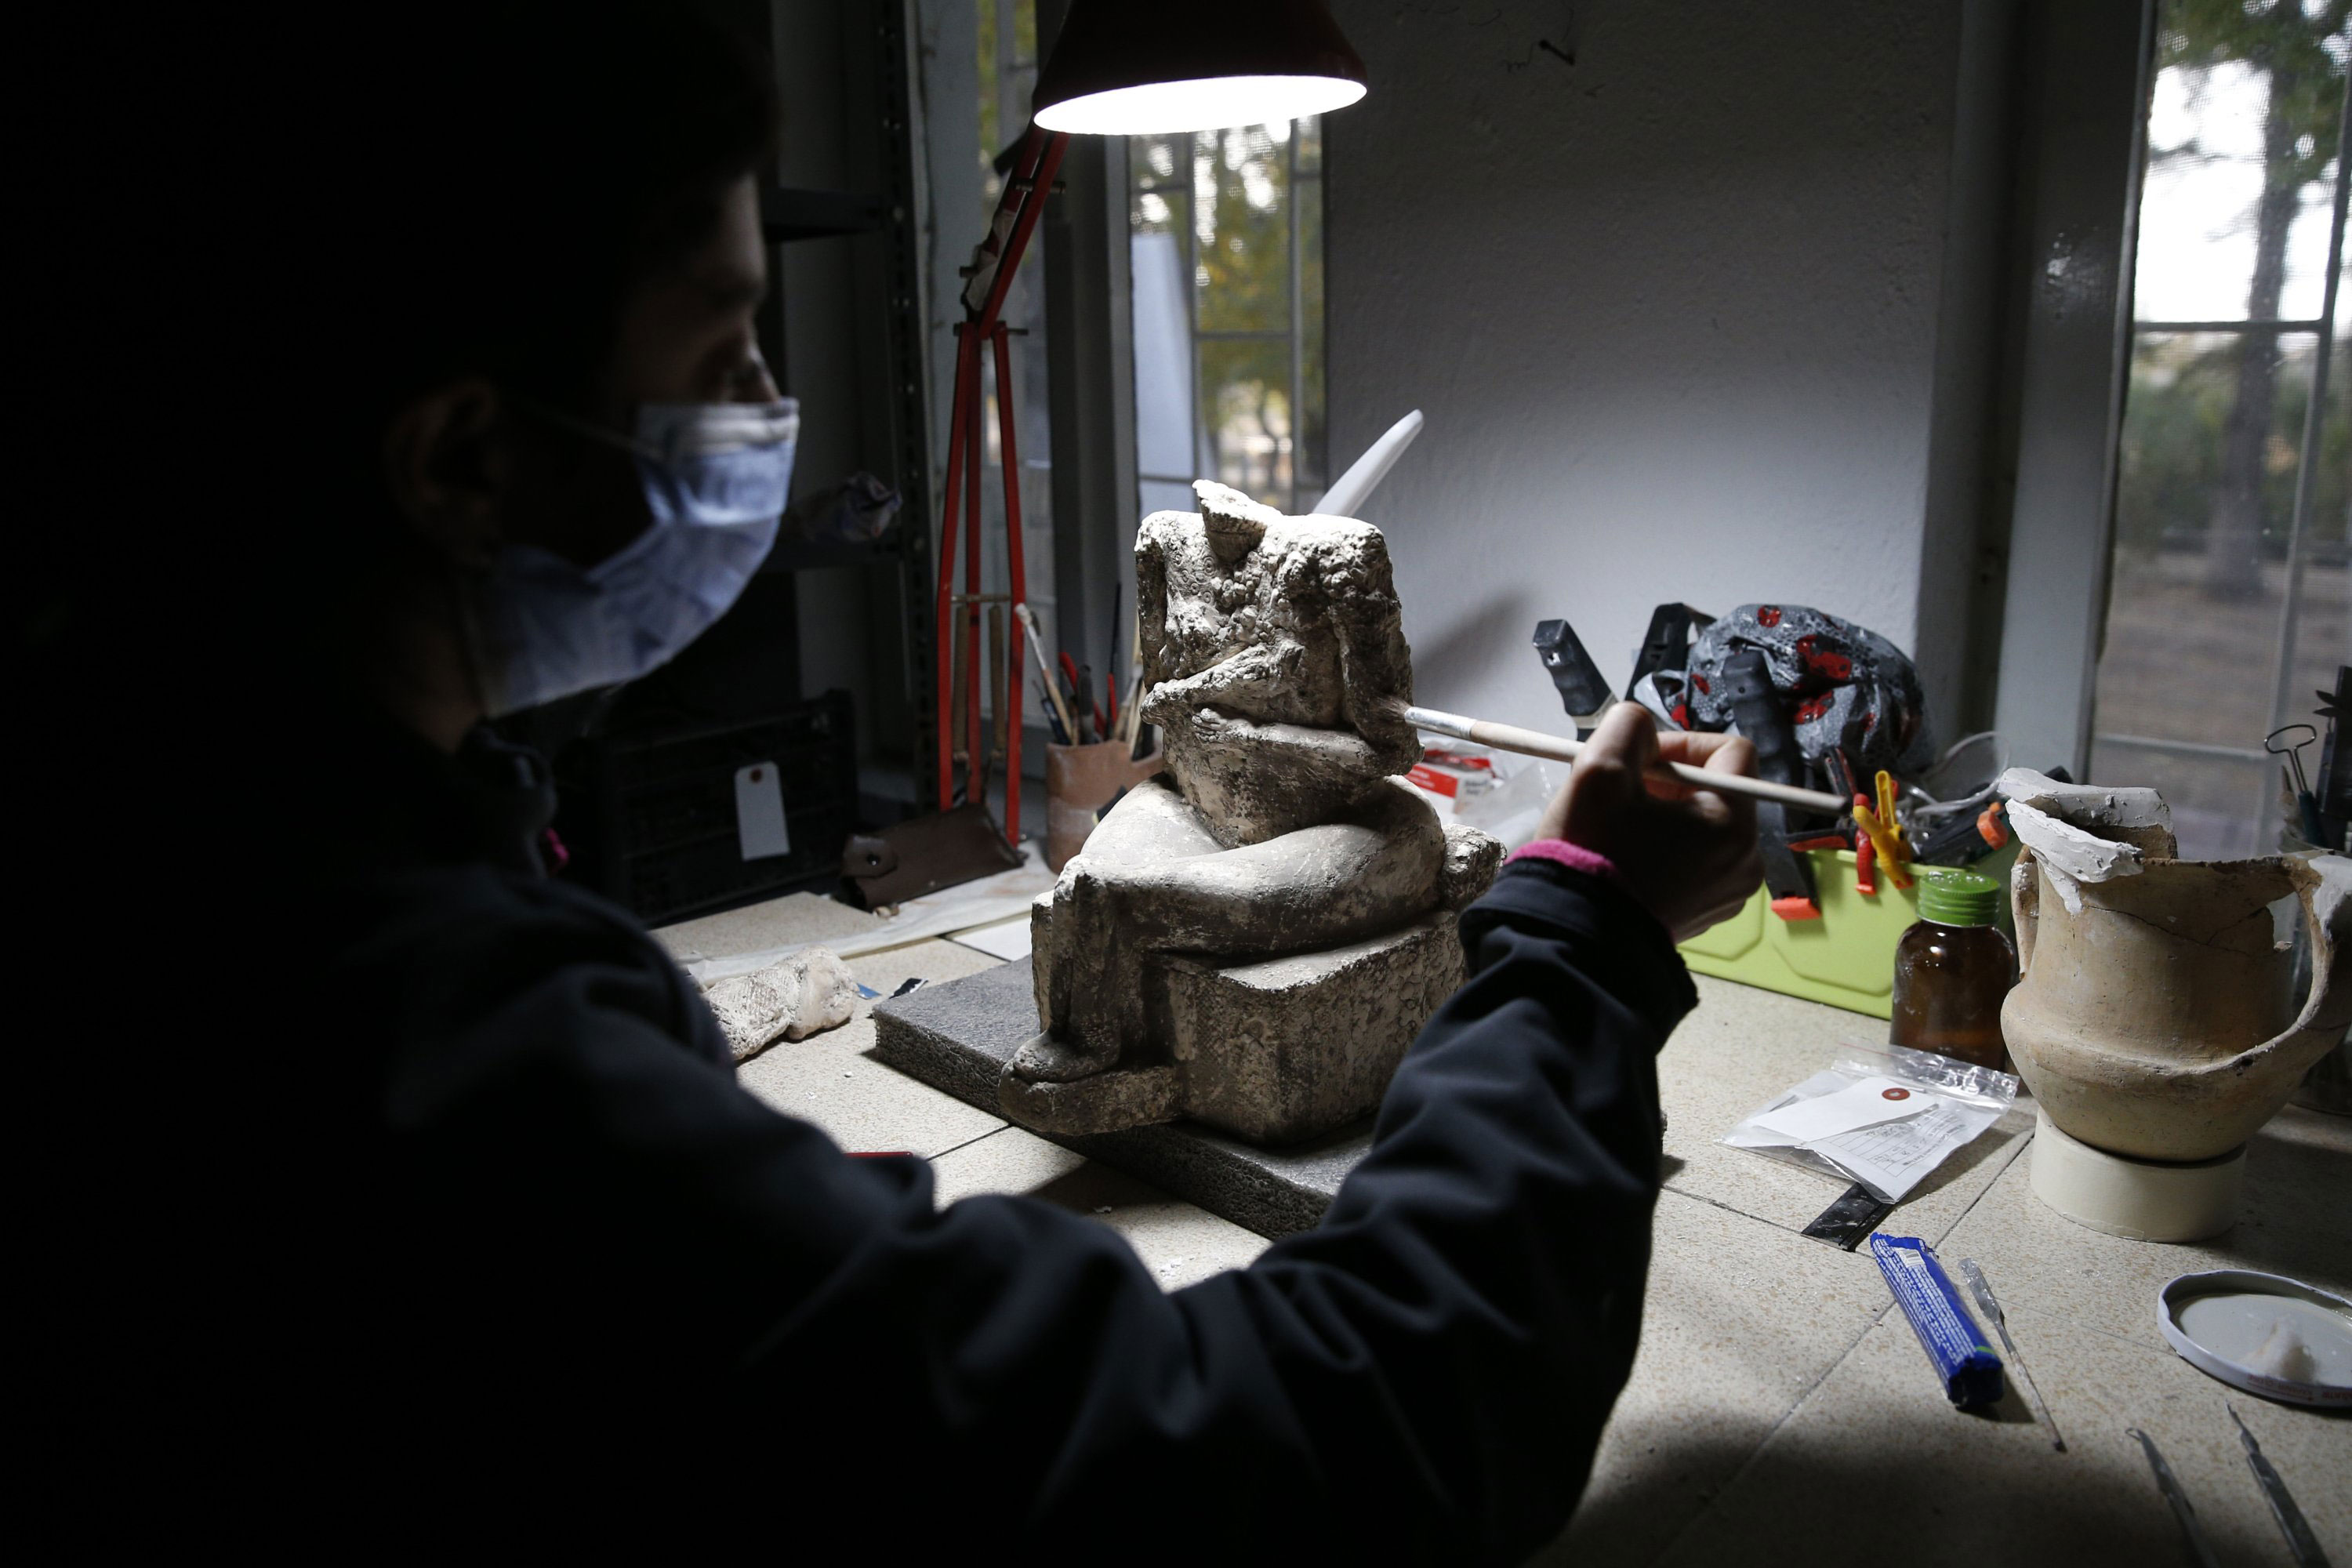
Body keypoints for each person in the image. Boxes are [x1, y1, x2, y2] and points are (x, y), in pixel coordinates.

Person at [156, 4, 1762, 1556]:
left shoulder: (357, 831)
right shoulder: (464, 1053)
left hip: (1330, 848)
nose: (770, 411)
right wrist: (1586, 931)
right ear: (459, 459)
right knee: (1114, 879)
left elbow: (1366, 759)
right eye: (723, 347)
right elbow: (1327, 1439)